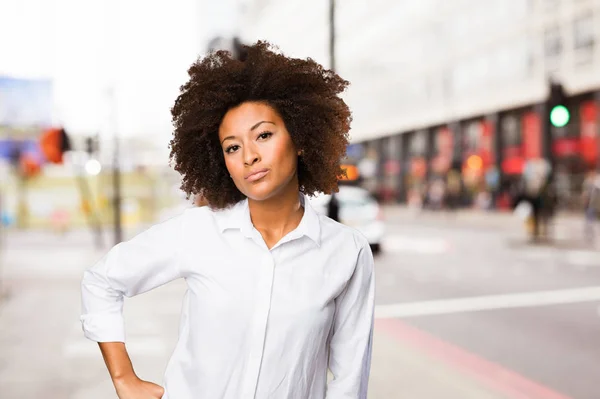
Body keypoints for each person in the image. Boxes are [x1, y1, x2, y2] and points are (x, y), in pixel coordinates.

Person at [80, 41, 375, 399]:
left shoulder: (346, 252)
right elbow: (102, 282)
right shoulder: (199, 231)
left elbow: (348, 380)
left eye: (263, 135)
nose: (249, 156)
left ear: (299, 139)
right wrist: (124, 378)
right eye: (232, 147)